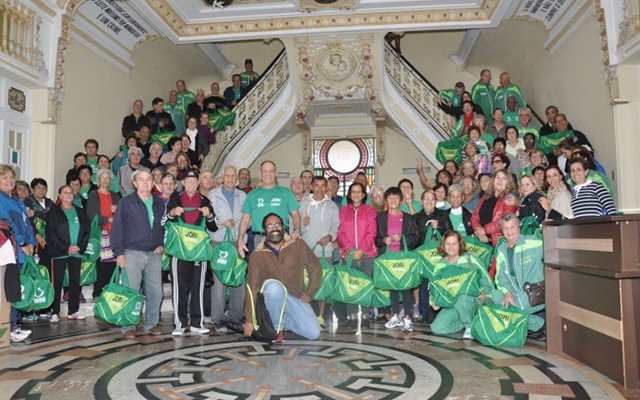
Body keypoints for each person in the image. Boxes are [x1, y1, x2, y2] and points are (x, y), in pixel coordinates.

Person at [243, 213, 322, 342]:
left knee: (313, 333)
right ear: (264, 230)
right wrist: (249, 320)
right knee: (274, 288)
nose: (274, 228)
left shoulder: (297, 245)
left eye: (277, 224)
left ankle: (283, 320)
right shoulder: (257, 255)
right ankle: (276, 329)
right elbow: (252, 289)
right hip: (271, 299)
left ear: (283, 227)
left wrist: (309, 293)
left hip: (294, 299)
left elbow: (315, 267)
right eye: (269, 225)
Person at [111, 170, 165, 339]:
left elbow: (165, 227)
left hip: (154, 254)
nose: (145, 183)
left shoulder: (159, 203)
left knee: (156, 292)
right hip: (131, 253)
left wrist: (162, 244)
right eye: (141, 180)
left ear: (153, 182)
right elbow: (117, 228)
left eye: (148, 179)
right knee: (131, 292)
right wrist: (118, 253)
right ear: (134, 183)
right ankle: (128, 326)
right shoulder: (126, 202)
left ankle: (151, 324)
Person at [165, 169, 218, 336]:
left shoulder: (205, 201)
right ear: (183, 183)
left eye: (194, 181)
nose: (191, 183)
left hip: (199, 252)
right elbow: (164, 221)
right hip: (179, 250)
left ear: (198, 183)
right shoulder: (174, 198)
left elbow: (214, 226)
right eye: (188, 180)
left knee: (198, 287)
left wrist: (209, 216)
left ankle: (197, 322)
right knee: (179, 288)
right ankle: (179, 323)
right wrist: (172, 213)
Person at [430, 231, 494, 339]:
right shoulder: (440, 265)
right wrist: (433, 301)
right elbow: (435, 287)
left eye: (454, 243)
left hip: (475, 300)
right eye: (448, 243)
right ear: (443, 245)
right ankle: (469, 321)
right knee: (437, 328)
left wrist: (487, 293)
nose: (451, 247)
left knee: (462, 297)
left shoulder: (471, 259)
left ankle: (469, 327)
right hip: (454, 304)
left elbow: (486, 278)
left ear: (460, 245)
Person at [491, 214, 546, 339]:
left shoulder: (533, 242)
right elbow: (501, 278)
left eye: (512, 227)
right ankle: (538, 325)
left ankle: (530, 326)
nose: (509, 231)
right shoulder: (501, 250)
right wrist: (507, 292)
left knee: (508, 310)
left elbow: (554, 251)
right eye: (506, 228)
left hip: (534, 292)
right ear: (502, 231)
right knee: (495, 295)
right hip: (515, 294)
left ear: (519, 228)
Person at [207, 166, 247, 332]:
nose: (230, 178)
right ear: (222, 178)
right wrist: (223, 224)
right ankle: (217, 318)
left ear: (237, 179)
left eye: (233, 176)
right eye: (227, 175)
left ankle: (235, 317)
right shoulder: (213, 195)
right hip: (219, 243)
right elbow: (209, 220)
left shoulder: (243, 196)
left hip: (238, 243)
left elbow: (247, 218)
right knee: (219, 283)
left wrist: (238, 229)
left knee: (238, 280)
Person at [237, 160, 302, 258]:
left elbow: (296, 215)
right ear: (261, 174)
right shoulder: (252, 194)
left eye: (271, 171)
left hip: (282, 238)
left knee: (283, 272)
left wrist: (297, 229)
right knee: (262, 272)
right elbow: (245, 220)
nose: (268, 174)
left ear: (276, 173)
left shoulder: (286, 193)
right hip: (259, 240)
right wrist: (240, 239)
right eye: (265, 171)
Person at [376, 187, 420, 332]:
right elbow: (376, 239)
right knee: (392, 287)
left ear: (400, 200)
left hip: (403, 257)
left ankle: (408, 317)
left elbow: (415, 237)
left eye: (396, 198)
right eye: (390, 198)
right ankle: (395, 315)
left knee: (406, 287)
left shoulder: (408, 218)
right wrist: (384, 240)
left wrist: (403, 238)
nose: (393, 200)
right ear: (386, 201)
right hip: (388, 257)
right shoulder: (381, 217)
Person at [0, 164, 35, 342]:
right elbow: (7, 225)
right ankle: (10, 326)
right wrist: (22, 242)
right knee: (9, 289)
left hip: (23, 252)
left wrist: (31, 243)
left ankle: (14, 325)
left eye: (11, 177)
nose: (9, 180)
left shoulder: (16, 201)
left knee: (17, 288)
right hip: (11, 251)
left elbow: (26, 225)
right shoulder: (1, 199)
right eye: (5, 177)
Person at [299, 176, 339, 329]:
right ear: (311, 187)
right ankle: (306, 316)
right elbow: (297, 228)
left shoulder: (332, 206)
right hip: (306, 251)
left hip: (325, 251)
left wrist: (329, 237)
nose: (320, 189)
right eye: (317, 186)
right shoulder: (303, 204)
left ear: (326, 187)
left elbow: (336, 226)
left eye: (323, 186)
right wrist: (304, 224)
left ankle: (321, 317)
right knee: (306, 284)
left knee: (323, 283)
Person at [46, 185, 90, 322]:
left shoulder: (80, 211)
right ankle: (55, 311)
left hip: (76, 252)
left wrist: (79, 247)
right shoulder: (54, 212)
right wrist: (66, 248)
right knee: (57, 283)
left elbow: (86, 232)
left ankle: (73, 310)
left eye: (71, 193)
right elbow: (51, 234)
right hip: (59, 252)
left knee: (75, 282)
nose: (69, 195)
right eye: (65, 192)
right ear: (59, 195)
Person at [337, 182, 377, 326]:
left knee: (365, 284)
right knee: (351, 285)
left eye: (359, 191)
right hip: (348, 255)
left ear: (363, 194)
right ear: (349, 194)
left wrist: (362, 250)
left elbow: (371, 232)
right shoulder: (343, 210)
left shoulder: (370, 210)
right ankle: (352, 314)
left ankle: (365, 314)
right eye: (353, 191)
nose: (356, 194)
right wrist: (351, 250)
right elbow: (340, 232)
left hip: (367, 254)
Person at [86, 168, 122, 299]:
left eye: (108, 178)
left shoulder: (115, 195)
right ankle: (97, 292)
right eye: (103, 178)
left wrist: (118, 210)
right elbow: (91, 215)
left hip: (115, 233)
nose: (106, 180)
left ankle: (110, 291)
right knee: (101, 265)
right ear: (98, 180)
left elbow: (123, 214)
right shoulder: (93, 194)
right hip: (101, 233)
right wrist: (107, 219)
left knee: (113, 263)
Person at [471, 169, 518, 246]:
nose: (500, 180)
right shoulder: (485, 196)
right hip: (482, 239)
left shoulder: (510, 198)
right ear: (493, 180)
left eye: (504, 178)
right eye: (498, 177)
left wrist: (485, 230)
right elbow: (475, 216)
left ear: (508, 183)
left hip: (498, 242)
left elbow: (506, 220)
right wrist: (478, 231)